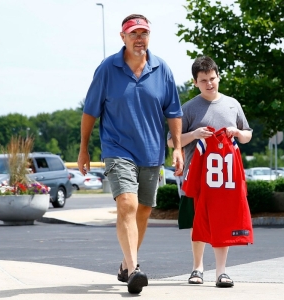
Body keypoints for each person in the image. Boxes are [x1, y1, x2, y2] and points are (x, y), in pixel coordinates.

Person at [77, 14, 183, 294]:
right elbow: (90, 111)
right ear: (122, 37)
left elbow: (173, 112)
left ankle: (126, 264)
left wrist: (178, 148)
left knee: (144, 211)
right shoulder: (107, 69)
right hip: (117, 148)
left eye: (144, 33)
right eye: (133, 33)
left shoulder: (163, 70)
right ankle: (136, 269)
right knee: (127, 203)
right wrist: (84, 148)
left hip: (151, 151)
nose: (139, 38)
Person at [167, 56, 252, 287]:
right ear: (195, 82)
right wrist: (194, 135)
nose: (209, 84)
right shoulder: (189, 108)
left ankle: (221, 272)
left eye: (212, 78)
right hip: (197, 177)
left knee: (222, 221)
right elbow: (172, 141)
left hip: (225, 179)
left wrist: (237, 132)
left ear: (218, 76)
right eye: (203, 80)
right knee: (198, 222)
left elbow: (247, 135)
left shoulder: (232, 104)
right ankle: (197, 268)